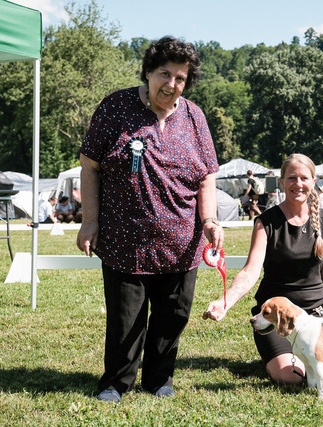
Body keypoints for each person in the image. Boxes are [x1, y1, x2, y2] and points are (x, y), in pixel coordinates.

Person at [76, 36, 223, 403]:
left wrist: (209, 219)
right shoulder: (116, 106)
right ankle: (116, 382)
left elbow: (207, 175)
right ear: (147, 73)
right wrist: (90, 221)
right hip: (126, 239)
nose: (171, 84)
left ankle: (159, 379)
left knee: (174, 315)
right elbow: (89, 165)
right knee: (126, 318)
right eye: (164, 74)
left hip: (182, 241)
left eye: (180, 78)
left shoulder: (194, 116)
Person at [203, 154, 323, 385]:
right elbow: (250, 272)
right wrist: (226, 301)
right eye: (292, 178)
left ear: (313, 181)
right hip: (276, 317)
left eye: (304, 178)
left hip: (314, 316)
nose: (298, 184)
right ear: (282, 181)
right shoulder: (266, 222)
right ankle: (280, 355)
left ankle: (295, 355)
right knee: (292, 377)